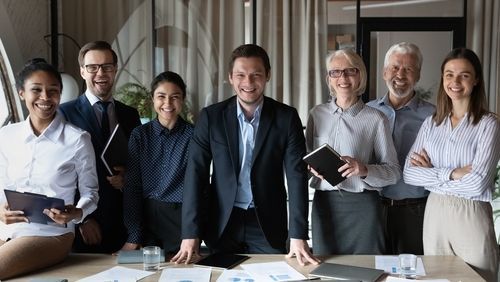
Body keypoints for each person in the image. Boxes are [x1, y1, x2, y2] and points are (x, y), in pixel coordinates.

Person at [171, 44, 320, 266]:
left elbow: (297, 176)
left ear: (267, 75)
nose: (248, 83)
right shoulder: (211, 118)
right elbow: (195, 175)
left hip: (267, 224)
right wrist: (190, 233)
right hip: (222, 223)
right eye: (240, 75)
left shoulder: (286, 117)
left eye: (256, 75)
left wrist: (298, 234)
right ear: (230, 77)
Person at [403, 48, 499, 282]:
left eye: (464, 75)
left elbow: (477, 185)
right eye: (449, 74)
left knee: (478, 278)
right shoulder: (431, 123)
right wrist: (454, 174)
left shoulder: (489, 124)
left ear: (476, 80)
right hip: (434, 213)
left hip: (471, 214)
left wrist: (432, 177)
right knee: (436, 278)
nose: (455, 81)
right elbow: (409, 174)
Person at [0, 59, 99, 279]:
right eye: (36, 89)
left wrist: (77, 213)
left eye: (53, 91)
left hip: (51, 233)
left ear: (60, 95)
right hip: (6, 229)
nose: (45, 97)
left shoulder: (77, 139)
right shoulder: (6, 136)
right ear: (21, 93)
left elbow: (91, 193)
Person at [306, 48, 400, 255]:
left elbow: (393, 172)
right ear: (329, 78)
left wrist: (364, 169)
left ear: (360, 76)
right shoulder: (316, 114)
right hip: (325, 206)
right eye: (336, 72)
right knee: (327, 270)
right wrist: (312, 169)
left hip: (363, 206)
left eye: (350, 71)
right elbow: (305, 163)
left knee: (366, 270)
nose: (343, 78)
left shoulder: (376, 118)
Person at [59, 41, 141, 253]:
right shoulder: (64, 114)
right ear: (82, 72)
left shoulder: (130, 115)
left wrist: (127, 178)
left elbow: (139, 164)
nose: (100, 73)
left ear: (115, 70)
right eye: (92, 67)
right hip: (85, 225)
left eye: (107, 67)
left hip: (124, 223)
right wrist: (82, 218)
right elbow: (59, 174)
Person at [366, 42, 435, 255]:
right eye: (395, 67)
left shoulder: (434, 116)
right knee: (372, 272)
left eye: (409, 69)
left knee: (412, 274)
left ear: (418, 75)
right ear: (385, 72)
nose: (400, 74)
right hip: (371, 208)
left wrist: (432, 168)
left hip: (415, 211)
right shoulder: (367, 112)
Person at [121, 71, 194, 253]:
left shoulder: (194, 136)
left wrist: (192, 232)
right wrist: (133, 235)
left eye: (174, 97)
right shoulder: (139, 135)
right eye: (161, 96)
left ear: (183, 99)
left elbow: (200, 187)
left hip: (180, 219)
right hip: (146, 217)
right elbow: (132, 186)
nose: (167, 103)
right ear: (152, 99)